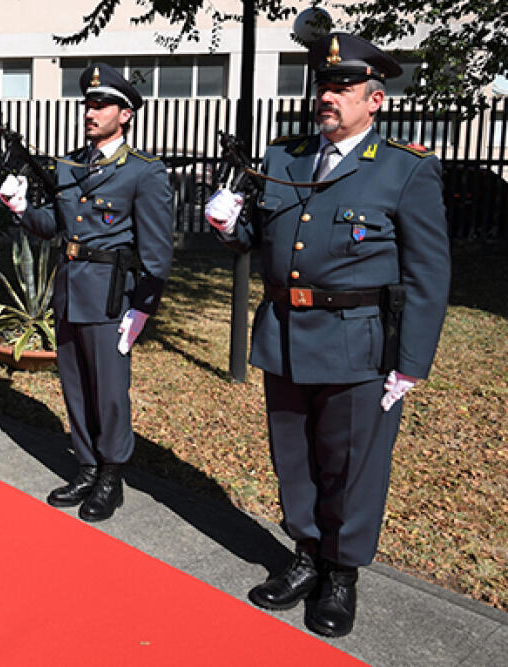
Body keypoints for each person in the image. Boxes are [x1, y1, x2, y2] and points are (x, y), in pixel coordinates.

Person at [204, 33, 450, 638]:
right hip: (285, 333)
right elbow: (260, 239)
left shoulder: (404, 169)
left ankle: (342, 571)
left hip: (357, 343)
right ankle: (307, 553)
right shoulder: (284, 159)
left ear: (376, 100)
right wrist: (228, 226)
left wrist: (412, 362)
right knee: (294, 459)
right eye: (325, 86)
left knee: (351, 465)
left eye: (343, 88)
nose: (328, 97)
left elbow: (428, 273)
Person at [0, 64, 174, 522]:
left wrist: (143, 308)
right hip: (69, 288)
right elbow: (53, 228)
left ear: (127, 113)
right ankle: (86, 463)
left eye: (102, 104)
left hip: (111, 295)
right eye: (88, 104)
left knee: (110, 391)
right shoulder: (69, 165)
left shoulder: (143, 172)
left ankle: (112, 474)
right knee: (74, 383)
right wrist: (19, 207)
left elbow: (157, 253)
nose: (91, 111)